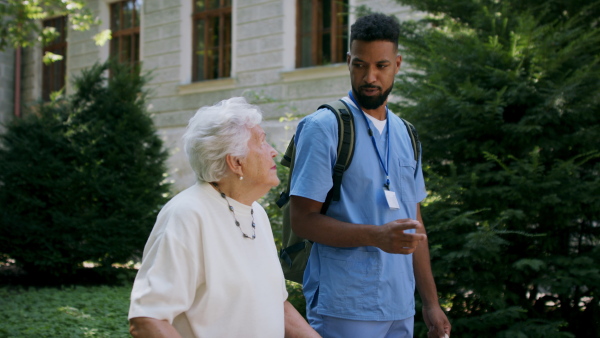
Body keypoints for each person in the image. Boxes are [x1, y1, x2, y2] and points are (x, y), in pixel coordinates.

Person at [289, 13, 451, 338]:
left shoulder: (408, 134)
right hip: (344, 307)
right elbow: (302, 220)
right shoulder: (324, 128)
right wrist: (375, 236)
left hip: (401, 306)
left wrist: (430, 303)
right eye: (360, 65)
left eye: (381, 66)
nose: (370, 77)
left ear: (398, 64)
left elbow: (415, 225)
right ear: (349, 61)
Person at [128, 97, 319, 338]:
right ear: (236, 162)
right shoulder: (187, 214)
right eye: (261, 142)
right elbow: (147, 319)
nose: (273, 151)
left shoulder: (255, 212)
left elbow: (275, 305)